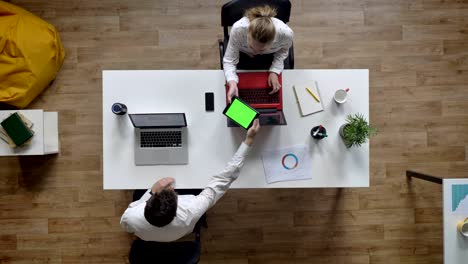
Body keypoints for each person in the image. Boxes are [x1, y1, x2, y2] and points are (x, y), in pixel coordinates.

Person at [120, 119, 261, 242]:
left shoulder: (131, 217)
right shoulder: (191, 210)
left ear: (147, 204)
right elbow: (223, 180)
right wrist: (249, 140)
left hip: (151, 233)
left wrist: (151, 191)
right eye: (174, 193)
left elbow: (128, 221)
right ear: (176, 205)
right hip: (180, 231)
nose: (173, 189)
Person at [223, 5, 294, 103]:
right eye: (251, 46)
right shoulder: (239, 29)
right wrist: (232, 82)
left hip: (269, 57)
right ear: (247, 34)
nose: (255, 52)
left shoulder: (286, 34)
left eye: (261, 50)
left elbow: (283, 50)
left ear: (274, 41)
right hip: (243, 54)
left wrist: (275, 70)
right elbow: (229, 60)